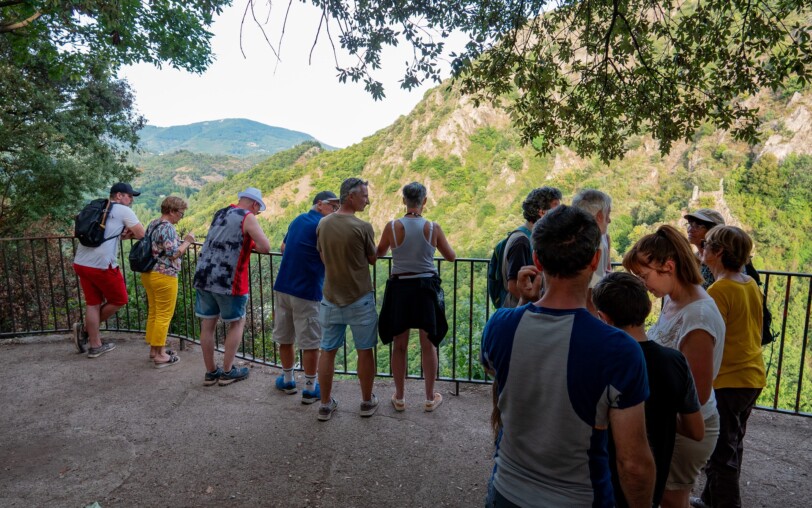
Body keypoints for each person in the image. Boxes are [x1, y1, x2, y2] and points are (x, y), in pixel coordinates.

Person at [482, 205, 655, 507]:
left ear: (537, 259)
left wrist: (524, 300)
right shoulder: (618, 350)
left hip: (506, 491)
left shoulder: (499, 326)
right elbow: (633, 464)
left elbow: (506, 379)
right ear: (595, 259)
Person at [623, 225, 726, 508]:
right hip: (671, 424)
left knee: (671, 500)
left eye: (644, 276)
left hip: (685, 429)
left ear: (668, 267)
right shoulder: (671, 298)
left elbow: (698, 394)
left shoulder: (698, 318)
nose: (643, 284)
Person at [593, 272, 705, 508]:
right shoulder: (676, 362)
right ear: (646, 309)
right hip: (651, 486)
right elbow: (696, 430)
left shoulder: (600, 362)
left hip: (603, 485)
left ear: (603, 318)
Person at [695, 226, 766, 508]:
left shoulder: (719, 289)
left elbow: (712, 338)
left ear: (718, 252)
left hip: (729, 379)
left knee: (719, 453)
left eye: (707, 243)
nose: (702, 247)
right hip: (751, 376)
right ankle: (709, 499)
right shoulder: (749, 284)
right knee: (731, 444)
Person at [376, 182, 456, 412]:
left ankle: (400, 397)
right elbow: (450, 256)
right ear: (424, 202)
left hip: (400, 289)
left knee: (399, 344)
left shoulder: (391, 227)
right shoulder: (433, 228)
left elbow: (379, 253)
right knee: (428, 344)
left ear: (403, 201)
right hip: (425, 290)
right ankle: (430, 398)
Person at [192, 187, 271, 386]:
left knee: (207, 325)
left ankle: (211, 372)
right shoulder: (247, 217)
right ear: (254, 204)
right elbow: (265, 247)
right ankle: (228, 371)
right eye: (257, 210)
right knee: (237, 322)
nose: (256, 213)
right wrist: (251, 244)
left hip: (204, 275)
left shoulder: (221, 212)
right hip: (228, 280)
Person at [315, 177, 379, 421]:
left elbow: (322, 255)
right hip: (360, 297)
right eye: (364, 195)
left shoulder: (323, 223)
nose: (367, 200)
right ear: (351, 197)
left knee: (328, 351)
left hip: (330, 297)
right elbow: (372, 259)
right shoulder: (363, 227)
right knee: (364, 350)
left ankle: (324, 404)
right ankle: (365, 401)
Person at [272, 190, 340, 403]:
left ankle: (288, 379)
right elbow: (330, 257)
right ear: (320, 204)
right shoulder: (324, 226)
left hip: (283, 285)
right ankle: (310, 388)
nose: (336, 210)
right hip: (307, 290)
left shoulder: (299, 219)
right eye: (333, 205)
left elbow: (283, 247)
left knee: (285, 336)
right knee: (310, 342)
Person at [72, 182, 145, 358]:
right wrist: (129, 235)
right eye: (129, 196)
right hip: (102, 265)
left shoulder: (98, 206)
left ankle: (95, 345)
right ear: (119, 195)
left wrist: (123, 233)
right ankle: (85, 330)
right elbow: (142, 234)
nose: (131, 201)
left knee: (93, 303)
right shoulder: (122, 210)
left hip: (81, 262)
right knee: (120, 299)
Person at [141, 196, 195, 368]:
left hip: (149, 273)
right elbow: (173, 253)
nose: (181, 217)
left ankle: (154, 350)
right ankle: (161, 355)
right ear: (171, 211)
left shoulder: (153, 224)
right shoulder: (168, 228)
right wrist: (187, 242)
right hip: (164, 275)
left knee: (155, 312)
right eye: (180, 213)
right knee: (164, 315)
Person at [501, 186, 562, 308]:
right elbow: (513, 285)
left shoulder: (528, 237)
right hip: (521, 311)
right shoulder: (522, 241)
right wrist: (537, 306)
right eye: (556, 206)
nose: (560, 211)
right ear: (542, 211)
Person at [572, 188, 613, 315]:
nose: (609, 220)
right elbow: (589, 298)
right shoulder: (596, 243)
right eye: (608, 214)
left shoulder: (603, 238)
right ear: (599, 216)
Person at [684, 208, 725, 289]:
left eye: (698, 226)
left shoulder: (722, 262)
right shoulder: (693, 258)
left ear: (713, 232)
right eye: (690, 224)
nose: (690, 230)